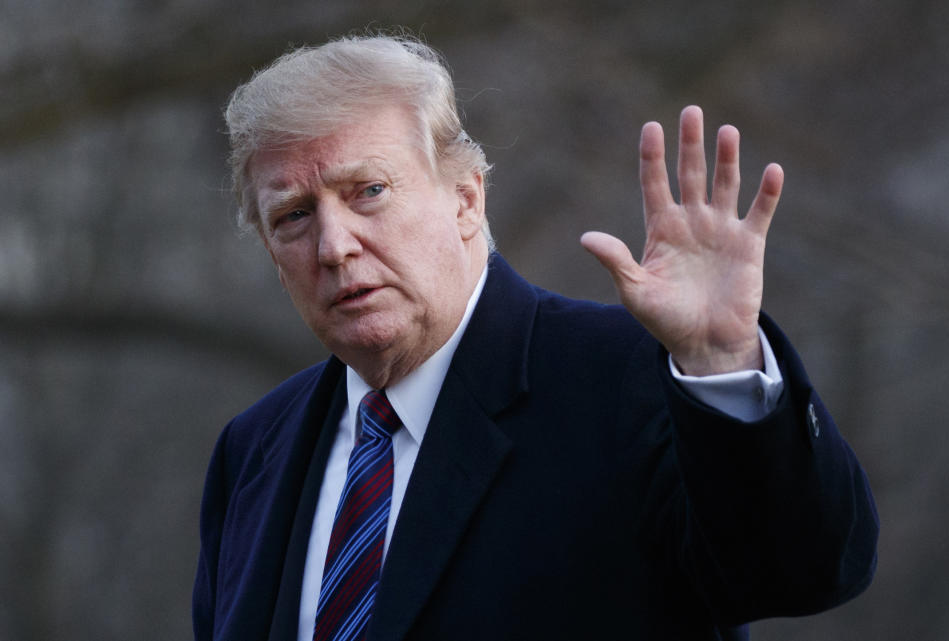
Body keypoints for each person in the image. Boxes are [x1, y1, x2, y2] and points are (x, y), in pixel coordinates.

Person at [193, 33, 878, 641]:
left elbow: (806, 571)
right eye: (294, 215)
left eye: (368, 190)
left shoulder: (632, 378)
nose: (335, 245)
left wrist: (722, 361)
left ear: (466, 198)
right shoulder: (253, 449)